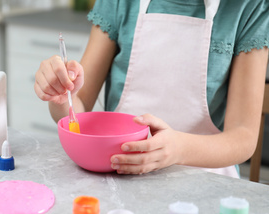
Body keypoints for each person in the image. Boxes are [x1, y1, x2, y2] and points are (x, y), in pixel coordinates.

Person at [34, 0, 269, 177]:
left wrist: (178, 149)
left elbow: (243, 138)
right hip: (120, 175)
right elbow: (78, 110)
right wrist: (63, 96)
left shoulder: (250, 7)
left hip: (205, 181)